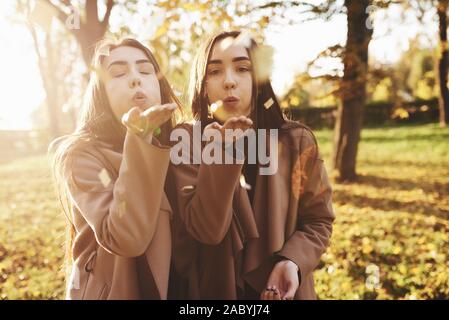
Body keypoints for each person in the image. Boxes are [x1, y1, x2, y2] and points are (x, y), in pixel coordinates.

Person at [167, 30, 335, 300]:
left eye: (242, 68)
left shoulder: (295, 141)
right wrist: (224, 152)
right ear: (202, 83)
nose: (229, 82)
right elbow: (205, 230)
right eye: (215, 72)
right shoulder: (185, 142)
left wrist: (291, 261)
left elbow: (318, 219)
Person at [51, 38, 180, 299]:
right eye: (119, 73)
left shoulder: (180, 145)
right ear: (101, 93)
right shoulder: (81, 155)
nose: (136, 79)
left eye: (146, 71)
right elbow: (126, 237)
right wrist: (140, 138)